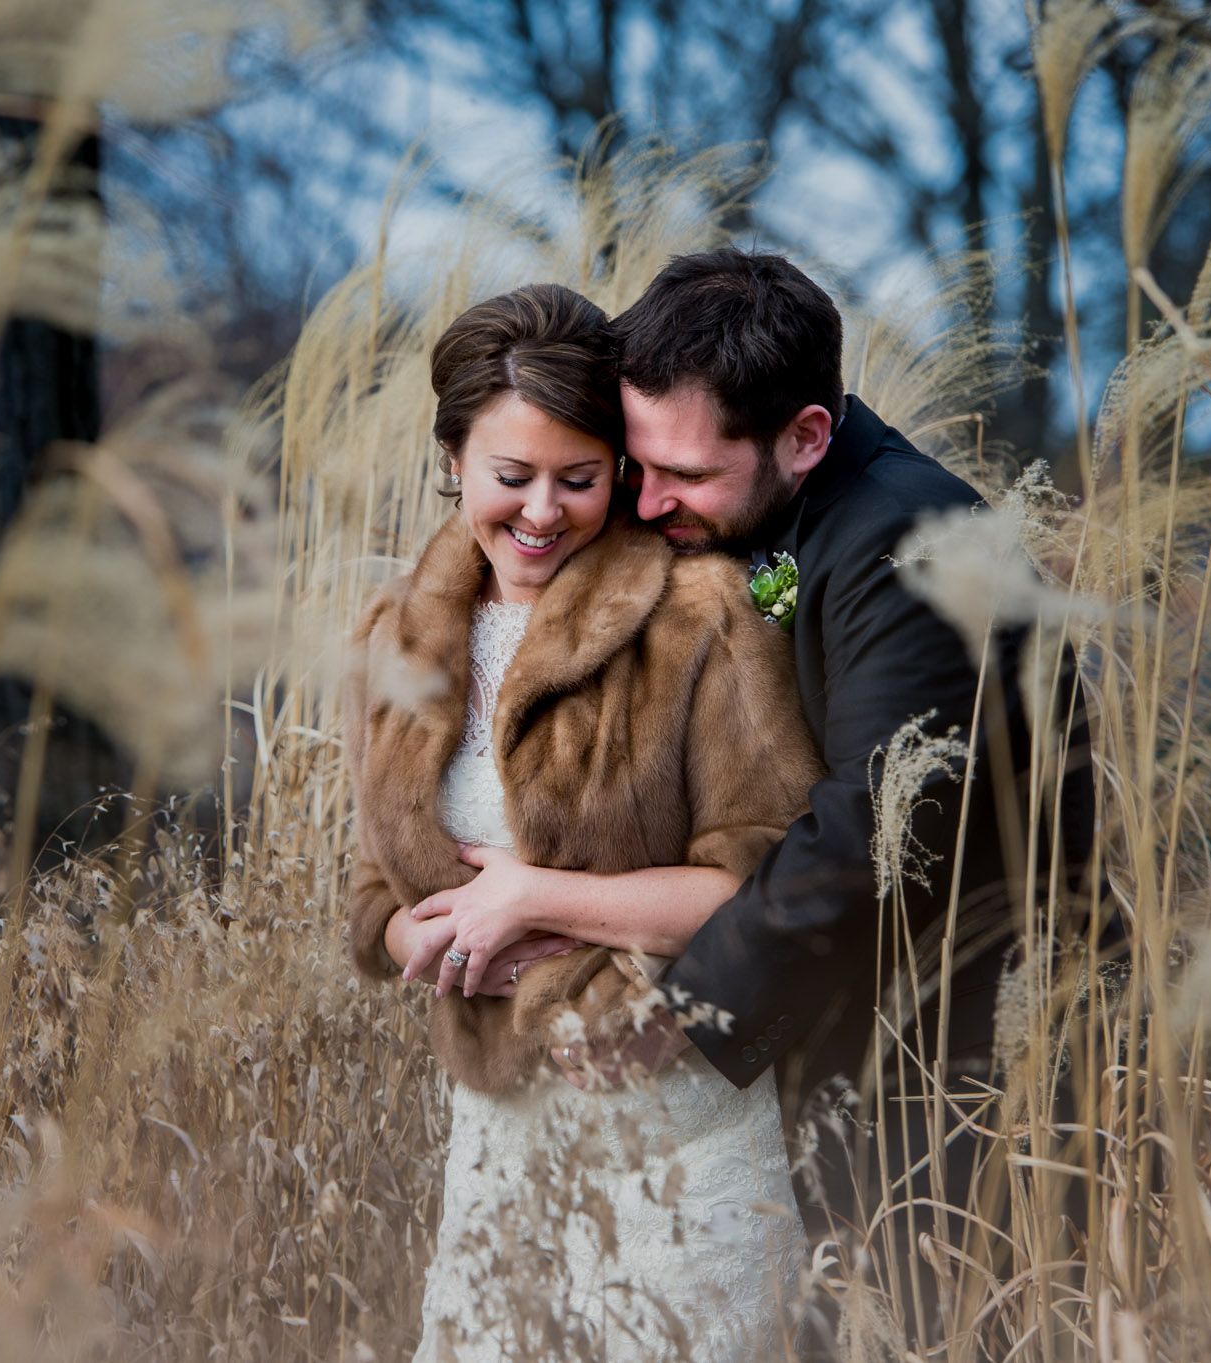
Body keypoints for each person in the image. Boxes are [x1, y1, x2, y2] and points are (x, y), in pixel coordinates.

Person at [417, 251, 1099, 1339]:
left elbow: (866, 833)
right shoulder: (768, 513)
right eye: (634, 466)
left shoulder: (910, 545)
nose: (646, 501)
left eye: (681, 473)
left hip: (954, 1067)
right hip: (845, 1047)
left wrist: (678, 1016)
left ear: (805, 436)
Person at [342, 283, 825, 1361]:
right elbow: (372, 879)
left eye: (578, 478)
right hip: (497, 1135)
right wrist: (405, 933)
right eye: (509, 477)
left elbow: (763, 874)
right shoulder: (393, 633)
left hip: (674, 1133)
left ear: (619, 471)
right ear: (453, 462)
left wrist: (535, 898)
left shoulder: (700, 615)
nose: (541, 510)